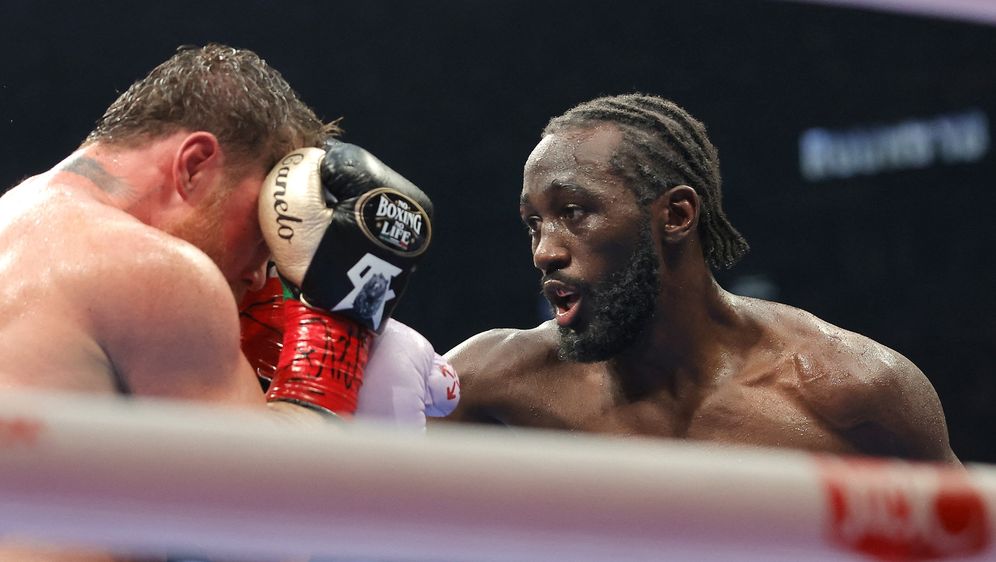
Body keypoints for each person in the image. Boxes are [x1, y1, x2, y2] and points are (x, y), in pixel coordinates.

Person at [0, 43, 456, 562]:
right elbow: (267, 526)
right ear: (194, 165)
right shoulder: (149, 267)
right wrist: (344, 315)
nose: (260, 272)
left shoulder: (21, 224)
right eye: (265, 233)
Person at [445, 93, 958, 464]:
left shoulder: (852, 393)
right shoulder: (491, 383)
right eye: (533, 224)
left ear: (676, 215)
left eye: (574, 212)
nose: (544, 251)